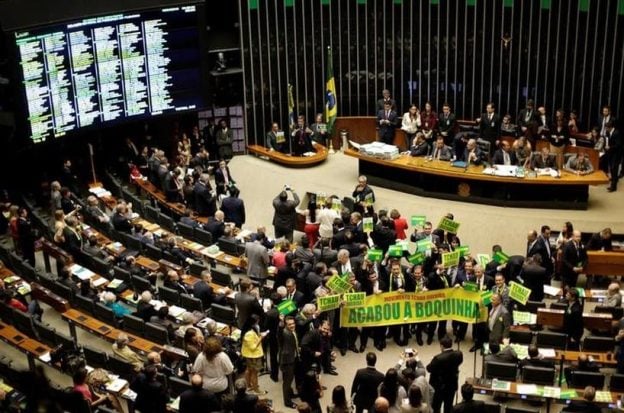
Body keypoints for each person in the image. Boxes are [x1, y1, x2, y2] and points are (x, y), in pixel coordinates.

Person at [426, 335, 463, 413]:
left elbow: (429, 369)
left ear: (442, 346)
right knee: (448, 406)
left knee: (436, 406)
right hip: (452, 384)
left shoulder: (438, 358)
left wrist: (432, 361)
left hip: (439, 387)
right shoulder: (459, 354)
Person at [241, 314, 268, 395]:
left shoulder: (250, 329)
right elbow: (253, 347)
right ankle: (256, 389)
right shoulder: (249, 333)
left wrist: (259, 335)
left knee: (248, 370)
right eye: (257, 321)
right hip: (253, 356)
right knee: (254, 373)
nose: (258, 322)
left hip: (248, 354)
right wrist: (261, 338)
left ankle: (249, 385)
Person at [605, 121, 622, 192]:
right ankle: (613, 184)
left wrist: (610, 147)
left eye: (607, 128)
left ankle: (613, 187)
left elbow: (618, 145)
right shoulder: (608, 132)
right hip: (611, 153)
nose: (606, 129)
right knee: (611, 169)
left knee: (614, 170)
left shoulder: (617, 133)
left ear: (611, 127)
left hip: (616, 154)